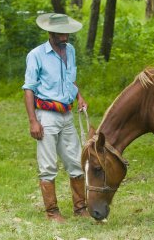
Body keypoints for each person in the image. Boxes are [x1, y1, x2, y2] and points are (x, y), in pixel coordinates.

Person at [22, 13, 89, 222]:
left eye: (67, 34)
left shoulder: (70, 50)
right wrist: (33, 120)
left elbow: (71, 80)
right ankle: (52, 212)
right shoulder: (36, 55)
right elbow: (29, 89)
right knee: (48, 164)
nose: (65, 38)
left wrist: (79, 96)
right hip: (46, 116)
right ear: (50, 32)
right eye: (61, 34)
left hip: (67, 115)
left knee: (76, 161)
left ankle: (80, 208)